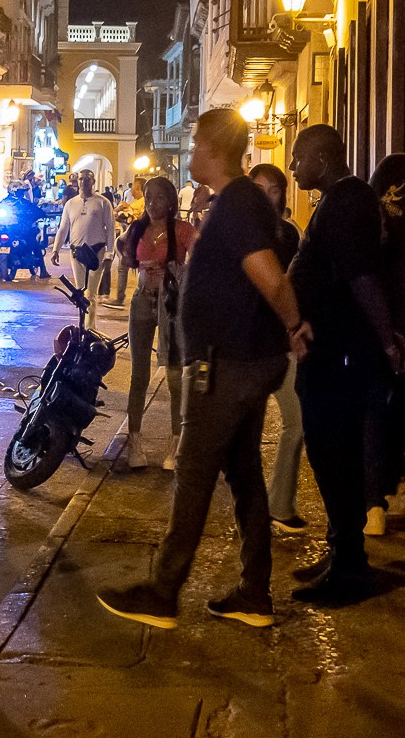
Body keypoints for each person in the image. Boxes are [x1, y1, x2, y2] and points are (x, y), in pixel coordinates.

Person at [96, 108, 307, 631]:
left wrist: (294, 325)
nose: (190, 152)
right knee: (243, 472)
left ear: (213, 147)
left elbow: (271, 279)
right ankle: (254, 594)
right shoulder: (236, 203)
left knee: (193, 473)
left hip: (228, 363)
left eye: (194, 143)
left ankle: (163, 591)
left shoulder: (237, 203)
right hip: (239, 360)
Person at [288, 124, 405, 603]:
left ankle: (351, 568)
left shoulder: (345, 201)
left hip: (341, 351)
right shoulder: (342, 199)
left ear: (320, 157)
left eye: (299, 158)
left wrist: (385, 340)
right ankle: (343, 551)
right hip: (332, 349)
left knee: (334, 453)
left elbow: (359, 278)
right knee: (330, 452)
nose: (295, 168)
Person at [363, 151, 405, 535]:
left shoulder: (376, 227)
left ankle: (375, 500)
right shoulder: (392, 242)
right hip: (387, 330)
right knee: (381, 412)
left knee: (380, 413)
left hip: (386, 330)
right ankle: (375, 499)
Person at [118, 176, 196, 471]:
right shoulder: (137, 229)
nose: (152, 203)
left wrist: (176, 271)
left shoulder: (182, 230)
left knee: (174, 375)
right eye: (148, 197)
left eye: (159, 198)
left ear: (171, 201)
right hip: (142, 301)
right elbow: (124, 254)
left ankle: (175, 442)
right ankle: (134, 440)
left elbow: (201, 256)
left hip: (171, 306)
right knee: (139, 374)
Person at [249, 163, 307, 533]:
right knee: (244, 435)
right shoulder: (239, 233)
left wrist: (295, 324)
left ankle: (280, 504)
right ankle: (251, 511)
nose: (268, 197)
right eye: (260, 190)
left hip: (283, 343)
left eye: (275, 190)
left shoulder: (289, 234)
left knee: (297, 423)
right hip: (248, 345)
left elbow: (293, 284)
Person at [52, 167, 116, 316]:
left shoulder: (103, 203)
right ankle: (83, 328)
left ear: (93, 182)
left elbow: (110, 229)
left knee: (90, 295)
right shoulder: (71, 204)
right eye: (81, 179)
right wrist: (56, 249)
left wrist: (109, 253)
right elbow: (63, 229)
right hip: (77, 252)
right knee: (80, 293)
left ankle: (89, 329)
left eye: (87, 179)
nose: (84, 182)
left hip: (96, 252)